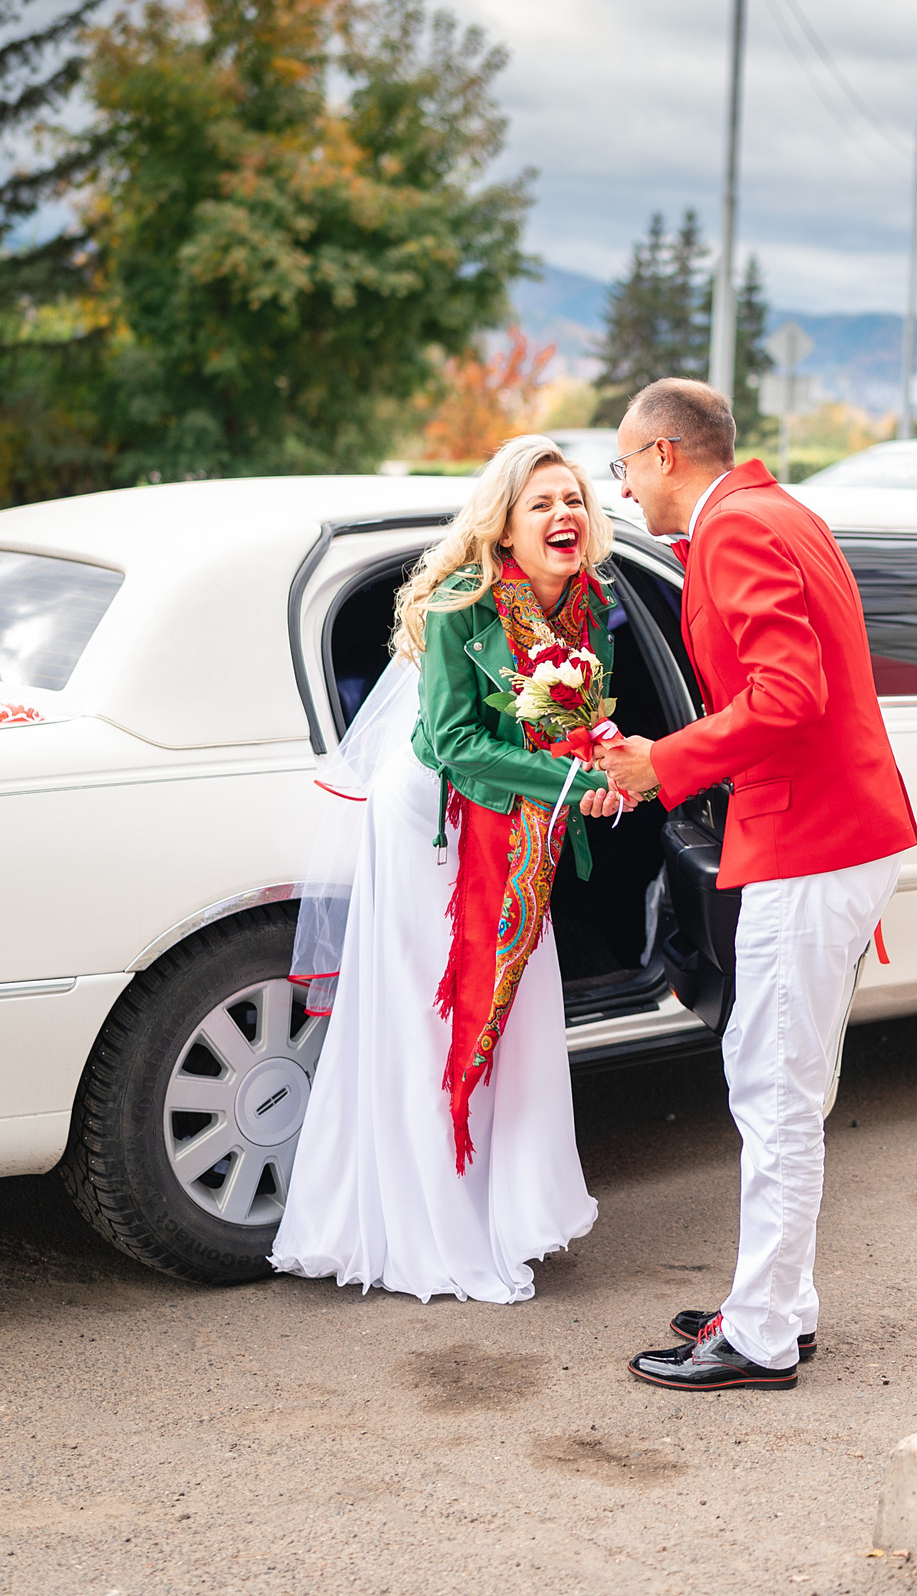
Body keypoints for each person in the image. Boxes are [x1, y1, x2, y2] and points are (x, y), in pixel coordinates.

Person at [599, 378, 917, 1390]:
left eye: (621, 465)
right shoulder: (780, 509)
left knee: (772, 1085)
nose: (622, 487)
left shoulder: (735, 529)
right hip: (841, 827)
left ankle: (763, 1333)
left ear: (663, 454)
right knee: (778, 1073)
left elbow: (788, 693)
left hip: (810, 837)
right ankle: (776, 1299)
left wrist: (666, 762)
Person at [270, 435, 629, 1303]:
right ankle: (431, 1226)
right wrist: (572, 778)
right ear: (504, 523)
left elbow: (575, 728)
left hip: (522, 829)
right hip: (435, 827)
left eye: (573, 498)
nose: (563, 515)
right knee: (434, 1013)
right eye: (541, 503)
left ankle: (509, 1211)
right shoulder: (461, 604)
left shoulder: (588, 607)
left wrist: (604, 757)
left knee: (522, 1004)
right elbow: (455, 743)